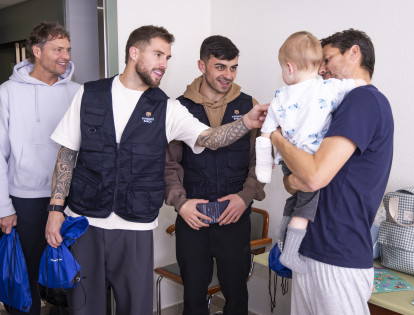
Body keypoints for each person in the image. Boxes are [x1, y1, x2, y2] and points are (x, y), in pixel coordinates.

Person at [44, 25, 268, 315]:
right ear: (134, 52)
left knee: (136, 308)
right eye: (158, 54)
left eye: (168, 57)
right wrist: (55, 209)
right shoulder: (89, 94)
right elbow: (66, 154)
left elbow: (210, 139)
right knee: (85, 306)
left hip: (135, 225)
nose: (164, 63)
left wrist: (247, 122)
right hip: (84, 220)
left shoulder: (167, 108)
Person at [270, 29, 394, 315]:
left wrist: (275, 138)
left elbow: (313, 177)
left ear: (353, 53)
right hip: (309, 248)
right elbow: (294, 182)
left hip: (338, 254)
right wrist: (292, 177)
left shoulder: (363, 100)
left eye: (326, 59)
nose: (320, 69)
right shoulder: (327, 106)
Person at [164, 35, 265, 315]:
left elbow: (260, 161)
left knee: (236, 293)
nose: (228, 75)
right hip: (193, 217)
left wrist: (245, 198)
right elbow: (168, 165)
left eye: (233, 68)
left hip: (235, 215)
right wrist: (181, 203)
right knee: (194, 295)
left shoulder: (249, 106)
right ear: (202, 65)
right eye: (220, 67)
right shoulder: (178, 108)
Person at [255, 31, 365, 274]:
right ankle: (290, 254)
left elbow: (265, 136)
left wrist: (264, 169)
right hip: (309, 159)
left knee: (293, 202)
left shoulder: (279, 97)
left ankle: (283, 242)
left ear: (290, 67)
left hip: (287, 161)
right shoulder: (328, 88)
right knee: (305, 208)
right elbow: (358, 84)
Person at [0, 21, 80, 315]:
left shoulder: (78, 92)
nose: (66, 56)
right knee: (27, 278)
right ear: (37, 51)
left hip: (72, 198)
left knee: (70, 276)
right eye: (58, 49)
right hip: (26, 199)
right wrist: (3, 207)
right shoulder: (7, 93)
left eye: (68, 50)